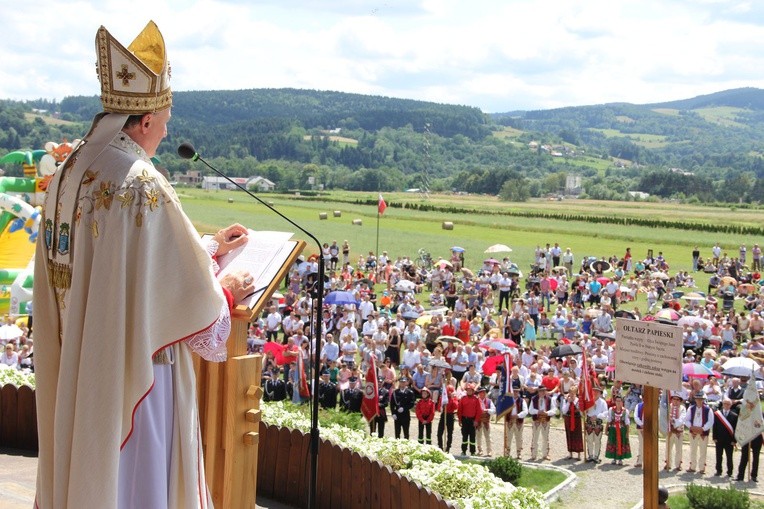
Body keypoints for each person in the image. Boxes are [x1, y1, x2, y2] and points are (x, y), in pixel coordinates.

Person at [33, 20, 257, 509]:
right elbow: (174, 299)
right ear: (148, 119)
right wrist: (225, 291)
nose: (169, 127)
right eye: (167, 115)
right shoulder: (141, 180)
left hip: (80, 361)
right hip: (137, 372)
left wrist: (208, 246)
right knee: (136, 488)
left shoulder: (75, 167)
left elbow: (122, 261)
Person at [685, 391, 714, 474]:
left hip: (703, 432)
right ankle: (692, 466)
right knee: (693, 450)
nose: (699, 401)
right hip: (693, 431)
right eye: (697, 399)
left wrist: (703, 429)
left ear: (703, 400)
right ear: (695, 399)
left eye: (700, 399)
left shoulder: (708, 409)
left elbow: (710, 421)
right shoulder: (691, 408)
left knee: (703, 450)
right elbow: (686, 419)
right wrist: (691, 427)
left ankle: (702, 467)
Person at [528, 385, 557, 461]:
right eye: (541, 391)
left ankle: (545, 454)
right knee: (535, 438)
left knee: (545, 438)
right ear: (538, 391)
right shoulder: (533, 399)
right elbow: (530, 410)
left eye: (544, 390)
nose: (543, 392)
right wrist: (538, 411)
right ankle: (534, 455)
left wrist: (547, 413)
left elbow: (554, 410)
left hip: (545, 420)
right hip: (536, 421)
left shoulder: (549, 399)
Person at [713, 398, 738, 478]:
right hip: (719, 439)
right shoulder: (717, 414)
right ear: (722, 404)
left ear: (731, 405)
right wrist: (714, 437)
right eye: (725, 404)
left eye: (728, 404)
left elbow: (735, 429)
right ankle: (718, 470)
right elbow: (715, 426)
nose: (726, 405)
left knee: (729, 457)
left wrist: (734, 441)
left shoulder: (734, 416)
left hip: (729, 440)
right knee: (719, 456)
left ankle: (729, 472)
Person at [605, 394, 632, 465]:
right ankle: (614, 459)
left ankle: (620, 459)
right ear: (615, 401)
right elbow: (608, 420)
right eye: (617, 401)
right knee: (613, 443)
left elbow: (627, 423)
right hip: (613, 430)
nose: (618, 402)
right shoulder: (611, 410)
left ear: (622, 402)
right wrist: (606, 429)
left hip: (622, 430)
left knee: (621, 443)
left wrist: (627, 433)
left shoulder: (625, 411)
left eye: (620, 401)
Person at [585, 386, 609, 463]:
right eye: (594, 391)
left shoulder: (603, 402)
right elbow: (584, 410)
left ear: (600, 393)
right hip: (589, 422)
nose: (595, 393)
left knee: (597, 440)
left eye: (597, 392)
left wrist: (597, 416)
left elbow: (605, 412)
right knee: (589, 440)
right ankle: (590, 455)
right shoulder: (589, 400)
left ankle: (596, 456)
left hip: (598, 423)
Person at [504, 386, 528, 459]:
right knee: (508, 437)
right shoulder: (508, 400)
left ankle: (519, 453)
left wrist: (517, 415)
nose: (515, 393)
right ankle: (507, 452)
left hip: (518, 421)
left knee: (519, 438)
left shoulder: (522, 401)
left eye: (517, 391)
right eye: (514, 391)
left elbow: (525, 411)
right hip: (509, 421)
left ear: (519, 392)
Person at [457, 383, 481, 456]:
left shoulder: (476, 399)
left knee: (472, 437)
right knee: (464, 436)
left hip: (472, 421)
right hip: (465, 420)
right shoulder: (463, 399)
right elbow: (459, 410)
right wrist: (460, 420)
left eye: (470, 390)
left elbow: (478, 411)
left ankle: (472, 452)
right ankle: (463, 451)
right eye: (468, 390)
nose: (469, 391)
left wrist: (476, 420)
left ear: (473, 391)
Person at [561, 387, 584, 460]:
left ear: (576, 393)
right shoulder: (566, 400)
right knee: (569, 435)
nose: (571, 394)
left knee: (577, 435)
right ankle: (570, 453)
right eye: (570, 392)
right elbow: (564, 411)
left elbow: (581, 412)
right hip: (568, 419)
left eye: (573, 393)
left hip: (576, 420)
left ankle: (578, 454)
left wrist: (574, 402)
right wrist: (568, 402)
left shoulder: (578, 401)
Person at [666, 393, 687, 471]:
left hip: (678, 430)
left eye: (677, 399)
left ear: (680, 401)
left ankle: (678, 464)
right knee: (668, 448)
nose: (675, 401)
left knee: (678, 448)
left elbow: (682, 418)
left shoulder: (682, 408)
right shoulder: (668, 407)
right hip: (669, 430)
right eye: (674, 399)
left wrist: (673, 421)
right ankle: (668, 463)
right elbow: (664, 416)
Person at [437, 380, 457, 452]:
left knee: (450, 433)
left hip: (450, 415)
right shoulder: (442, 398)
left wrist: (451, 398)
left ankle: (448, 447)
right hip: (443, 415)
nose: (449, 393)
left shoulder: (453, 398)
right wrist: (442, 406)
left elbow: (455, 407)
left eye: (450, 391)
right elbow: (439, 408)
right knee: (439, 433)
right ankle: (440, 446)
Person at [475, 386, 496, 456]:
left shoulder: (489, 401)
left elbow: (493, 410)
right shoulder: (476, 400)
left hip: (486, 421)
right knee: (478, 436)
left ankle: (489, 451)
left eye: (484, 392)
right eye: (481, 392)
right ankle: (480, 450)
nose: (482, 394)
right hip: (478, 421)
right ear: (479, 393)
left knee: (488, 437)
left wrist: (487, 410)